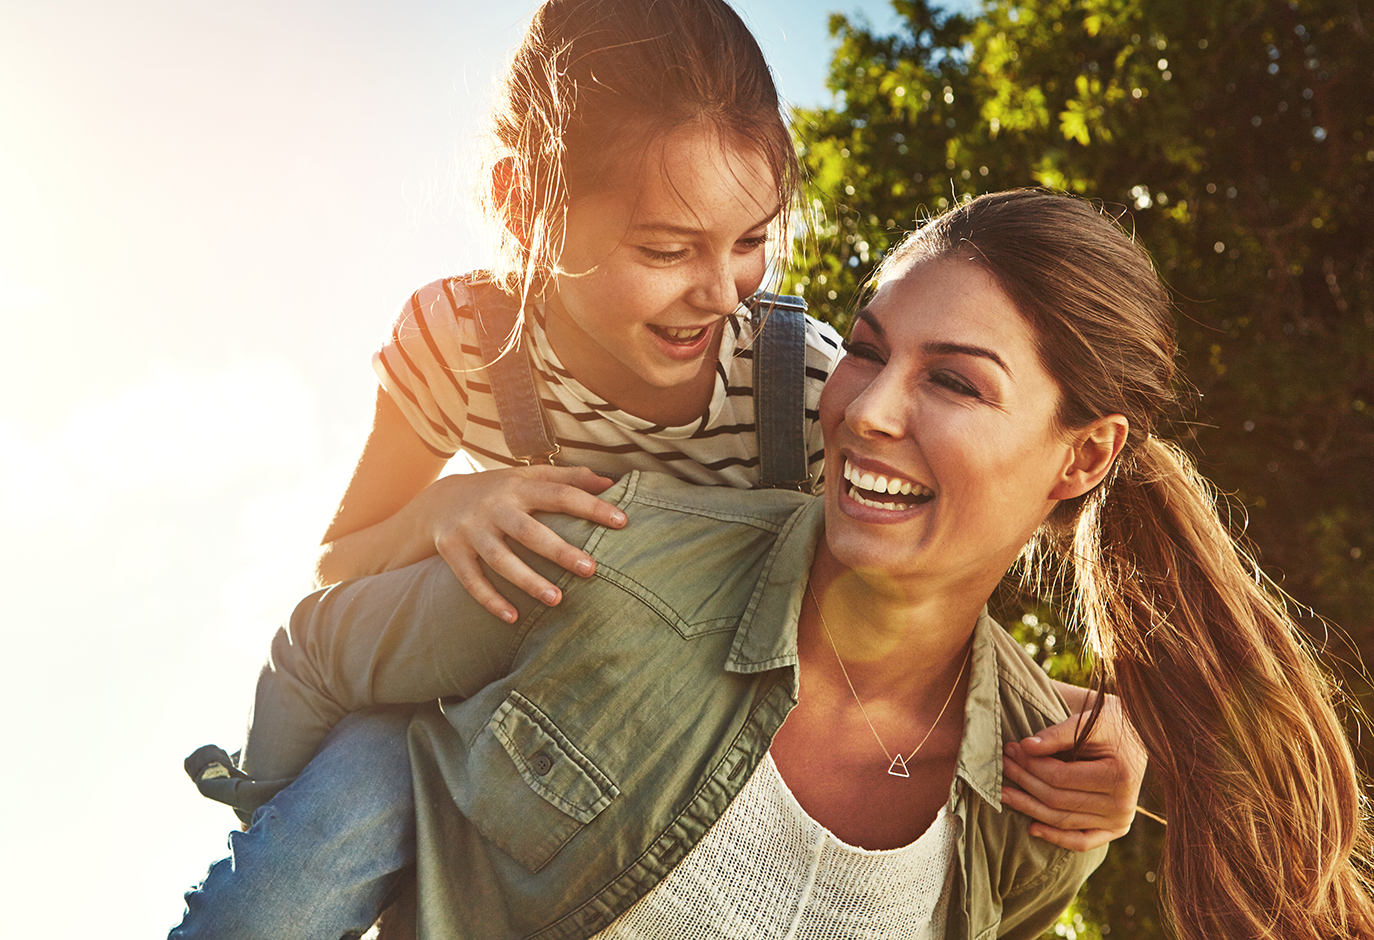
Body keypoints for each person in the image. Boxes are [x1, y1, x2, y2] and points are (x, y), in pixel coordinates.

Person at [180, 190, 1374, 940]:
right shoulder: (612, 555)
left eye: (952, 381)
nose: (865, 412)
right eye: (863, 350)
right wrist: (281, 839)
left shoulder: (1042, 787)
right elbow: (319, 646)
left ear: (1081, 458)